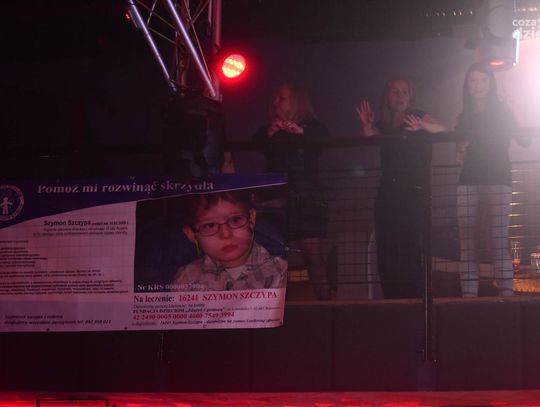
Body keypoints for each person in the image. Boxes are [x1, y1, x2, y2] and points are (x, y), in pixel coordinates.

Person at [357, 78, 445, 299]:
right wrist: (366, 125)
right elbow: (368, 138)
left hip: (413, 191)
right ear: (388, 97)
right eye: (395, 92)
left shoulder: (417, 115)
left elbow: (442, 129)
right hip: (388, 191)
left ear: (410, 96)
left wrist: (422, 126)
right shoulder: (385, 124)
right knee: (387, 247)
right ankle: (392, 299)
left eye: (404, 92)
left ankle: (414, 298)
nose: (400, 96)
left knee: (410, 246)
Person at [455, 63, 530, 297]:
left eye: (483, 80)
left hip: (497, 178)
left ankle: (507, 296)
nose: (477, 85)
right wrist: (461, 149)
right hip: (469, 179)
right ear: (467, 85)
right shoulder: (464, 117)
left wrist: (514, 109)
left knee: (497, 239)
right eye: (473, 80)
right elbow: (460, 154)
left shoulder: (502, 111)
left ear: (491, 84)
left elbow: (525, 140)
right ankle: (468, 298)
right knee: (468, 242)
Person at [253, 84, 331, 300]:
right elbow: (255, 142)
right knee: (273, 257)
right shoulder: (269, 129)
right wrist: (271, 132)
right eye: (275, 98)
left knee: (313, 256)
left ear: (296, 102)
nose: (276, 102)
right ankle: (274, 308)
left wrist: (300, 131)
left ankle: (326, 304)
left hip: (307, 199)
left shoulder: (313, 126)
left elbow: (323, 137)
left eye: (282, 98)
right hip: (276, 199)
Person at [171, 190, 287, 291]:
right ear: (191, 234)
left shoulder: (281, 272)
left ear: (251, 219)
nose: (226, 234)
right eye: (210, 225)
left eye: (235, 219)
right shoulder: (187, 279)